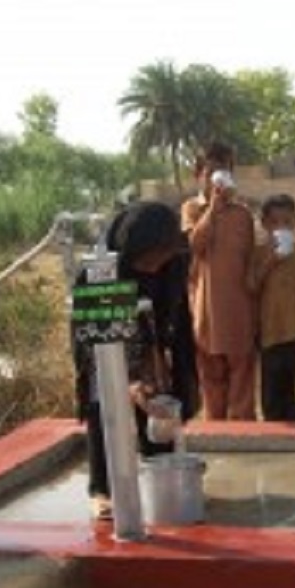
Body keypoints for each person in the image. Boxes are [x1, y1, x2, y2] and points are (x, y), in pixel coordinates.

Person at [73, 202, 198, 520]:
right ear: (132, 250)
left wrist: (158, 368)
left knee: (159, 399)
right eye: (149, 259)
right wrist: (128, 381)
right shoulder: (102, 269)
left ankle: (161, 469)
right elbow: (96, 341)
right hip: (103, 336)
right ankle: (102, 490)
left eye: (162, 257)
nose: (155, 266)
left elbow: (171, 317)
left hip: (153, 324)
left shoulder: (174, 260)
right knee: (103, 402)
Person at [180, 142, 257, 420]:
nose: (218, 178)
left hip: (239, 312)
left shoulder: (243, 215)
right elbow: (194, 244)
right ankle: (216, 435)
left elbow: (250, 263)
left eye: (225, 171)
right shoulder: (192, 209)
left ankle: (244, 436)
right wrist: (213, 206)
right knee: (212, 383)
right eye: (211, 172)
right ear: (198, 174)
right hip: (206, 312)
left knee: (242, 384)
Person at [249, 194, 295, 421]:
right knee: (272, 397)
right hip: (270, 335)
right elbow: (251, 286)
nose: (281, 227)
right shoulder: (257, 253)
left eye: (287, 221)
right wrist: (271, 261)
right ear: (264, 224)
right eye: (275, 222)